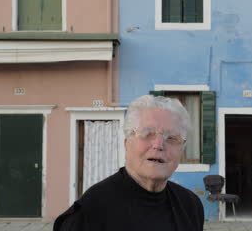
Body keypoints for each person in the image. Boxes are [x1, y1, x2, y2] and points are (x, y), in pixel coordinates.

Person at [53, 95, 204, 231]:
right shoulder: (89, 213)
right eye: (147, 134)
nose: (158, 145)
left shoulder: (190, 206)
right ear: (127, 143)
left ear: (181, 151)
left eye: (172, 138)